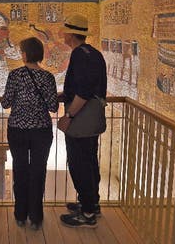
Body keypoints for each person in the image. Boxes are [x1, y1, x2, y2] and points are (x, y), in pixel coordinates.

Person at [1, 37, 58, 230]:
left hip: (17, 129)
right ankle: (36, 217)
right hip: (41, 131)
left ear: (25, 54)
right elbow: (53, 106)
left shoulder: (15, 75)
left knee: (20, 169)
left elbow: (5, 103)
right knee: (38, 171)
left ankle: (20, 214)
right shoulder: (48, 77)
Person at [56, 14, 107, 228]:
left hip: (82, 119)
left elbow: (84, 91)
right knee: (89, 162)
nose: (63, 34)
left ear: (71, 34)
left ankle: (86, 214)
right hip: (92, 118)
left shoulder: (80, 55)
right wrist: (65, 95)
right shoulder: (91, 53)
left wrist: (68, 116)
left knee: (80, 165)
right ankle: (91, 204)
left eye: (65, 31)